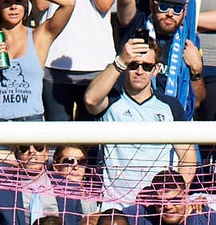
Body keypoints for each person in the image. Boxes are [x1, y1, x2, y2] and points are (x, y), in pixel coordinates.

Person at [84, 36, 197, 204]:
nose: (139, 71)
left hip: (157, 206)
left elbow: (187, 157)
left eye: (147, 66)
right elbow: (91, 100)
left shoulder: (170, 106)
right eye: (133, 65)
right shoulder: (111, 101)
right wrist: (120, 61)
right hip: (115, 205)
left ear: (156, 69)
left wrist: (174, 197)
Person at [0, 0, 74, 122]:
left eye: (18, 1)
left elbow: (70, 1)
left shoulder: (39, 36)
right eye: (6, 2)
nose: (13, 7)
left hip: (30, 120)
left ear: (25, 5)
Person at [116, 0, 205, 120]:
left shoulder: (189, 41)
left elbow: (197, 101)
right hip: (136, 117)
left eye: (177, 8)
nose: (170, 13)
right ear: (152, 5)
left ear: (185, 11)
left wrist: (196, 72)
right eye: (163, 7)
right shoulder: (138, 27)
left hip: (174, 122)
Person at [40, 0, 119, 122]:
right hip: (53, 68)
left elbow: (105, 3)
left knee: (90, 139)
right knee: (56, 137)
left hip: (96, 67)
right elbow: (41, 3)